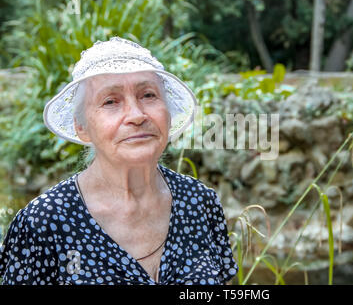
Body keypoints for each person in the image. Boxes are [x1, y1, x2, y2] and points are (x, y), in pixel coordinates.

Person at [0, 37, 238, 285]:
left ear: (168, 114)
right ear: (82, 127)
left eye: (148, 95)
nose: (136, 115)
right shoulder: (42, 223)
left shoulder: (200, 202)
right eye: (110, 101)